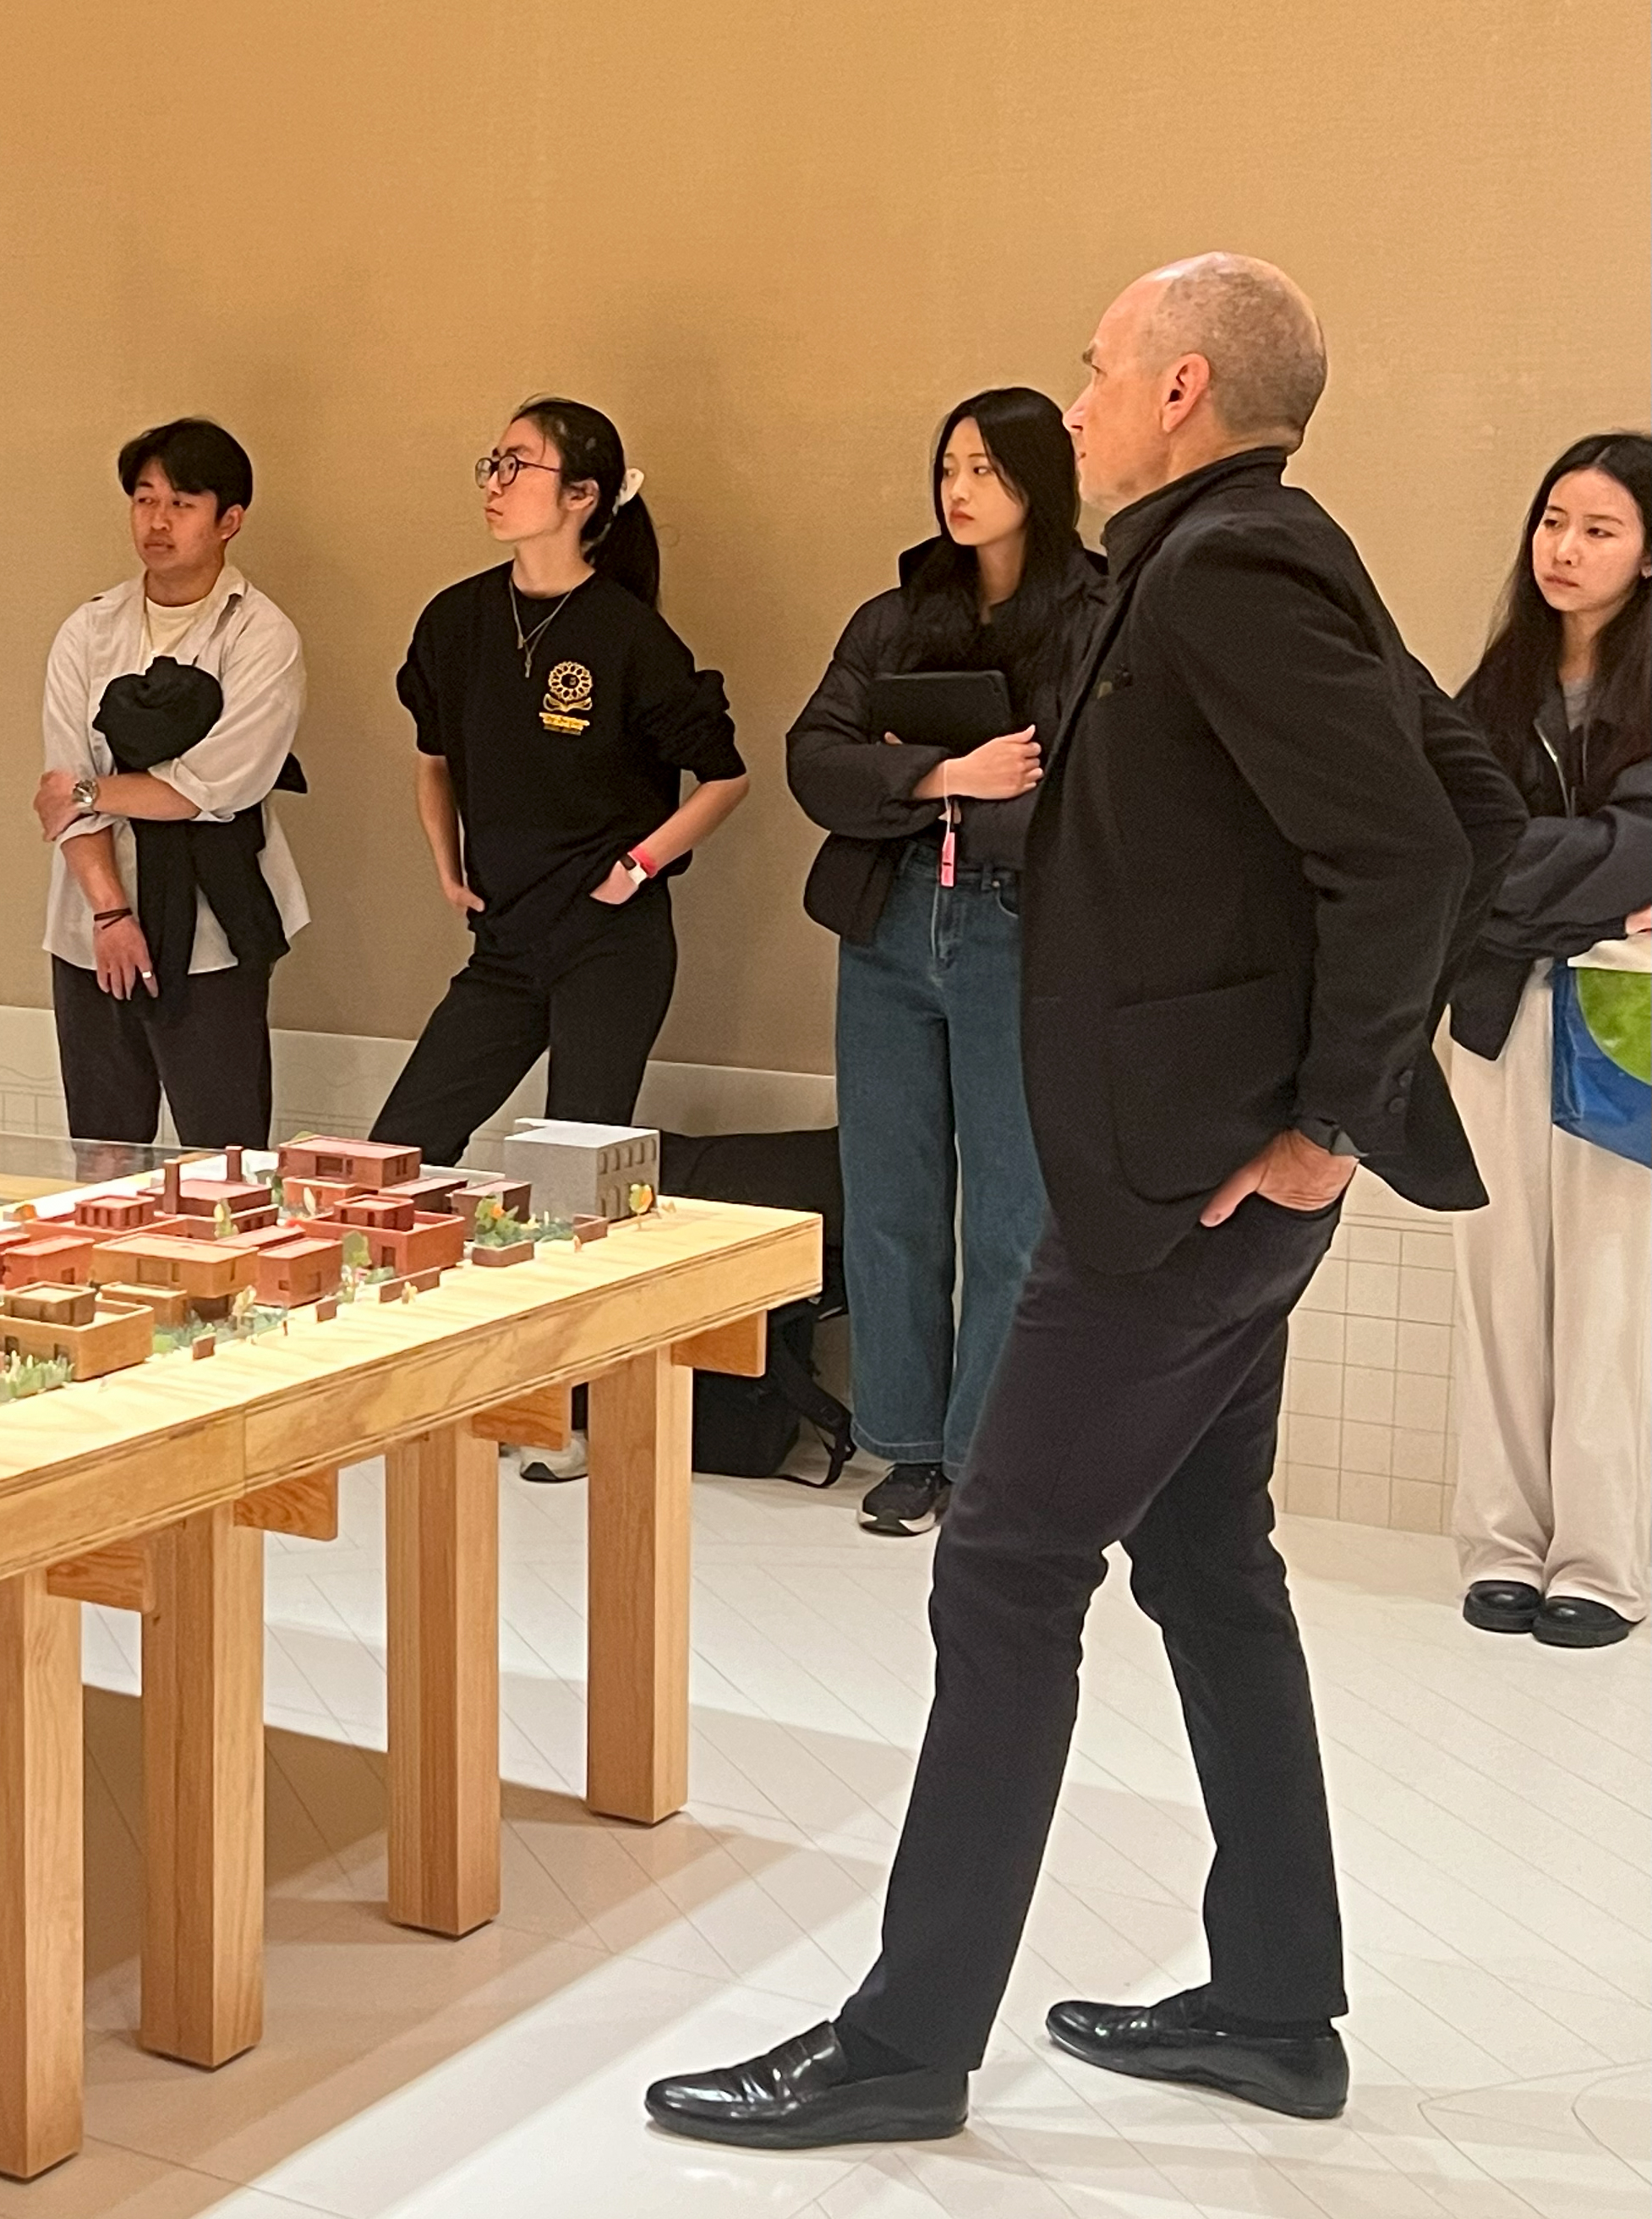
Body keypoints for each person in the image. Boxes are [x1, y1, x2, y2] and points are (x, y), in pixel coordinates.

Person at [648, 254, 1527, 2149]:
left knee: (1007, 1566)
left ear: (1186, 385)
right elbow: (1449, 793)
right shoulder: (1238, 549)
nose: (1088, 389)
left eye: (1104, 365)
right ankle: (1281, 2004)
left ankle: (900, 2047)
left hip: (1183, 1194)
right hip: (1201, 1176)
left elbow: (1409, 843)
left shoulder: (1235, 564)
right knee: (1208, 1564)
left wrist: (1324, 1120)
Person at [785, 391, 1102, 1537]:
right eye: (948, 467)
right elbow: (814, 757)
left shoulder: (1098, 611)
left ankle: (989, 1453)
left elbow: (1091, 783)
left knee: (1014, 1208)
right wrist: (940, 775)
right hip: (889, 921)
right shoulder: (896, 612)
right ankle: (907, 1447)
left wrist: (917, 758)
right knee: (889, 1196)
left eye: (986, 469)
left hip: (1026, 926)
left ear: (1040, 481)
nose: (959, 491)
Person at [369, 398, 747, 1170]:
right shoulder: (456, 619)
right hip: (504, 941)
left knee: (571, 1170)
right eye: (492, 464)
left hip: (608, 944)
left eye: (519, 464)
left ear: (581, 496)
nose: (495, 482)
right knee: (397, 1151)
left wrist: (637, 868)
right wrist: (448, 867)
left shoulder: (628, 633)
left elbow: (725, 779)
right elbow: (433, 754)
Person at [1444, 431, 1652, 1649]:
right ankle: (1502, 1543)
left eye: (1601, 529)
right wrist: (1570, 885)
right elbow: (1452, 850)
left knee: (1611, 1288)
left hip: (1622, 1017)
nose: (1565, 549)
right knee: (1499, 1278)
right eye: (1554, 521)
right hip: (1496, 1008)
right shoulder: (1498, 684)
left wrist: (1524, 878)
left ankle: (1603, 1562)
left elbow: (1640, 850)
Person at [35, 418, 308, 1148]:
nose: (158, 521)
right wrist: (109, 915)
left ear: (230, 520)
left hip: (214, 924)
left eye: (182, 503)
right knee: (101, 1154)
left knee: (226, 1158)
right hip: (91, 930)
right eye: (145, 499)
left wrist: (93, 792)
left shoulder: (260, 636)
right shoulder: (88, 631)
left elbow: (216, 786)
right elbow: (64, 780)